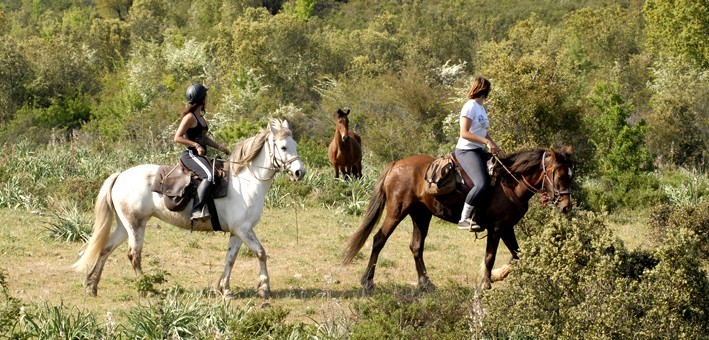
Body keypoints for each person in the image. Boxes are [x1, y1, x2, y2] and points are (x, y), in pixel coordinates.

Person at [173, 83, 230, 220]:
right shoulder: (190, 118)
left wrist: (219, 147)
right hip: (190, 155)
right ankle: (196, 210)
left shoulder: (201, 118)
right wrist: (195, 145)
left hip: (200, 155)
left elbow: (204, 137)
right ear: (202, 99)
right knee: (209, 176)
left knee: (217, 173)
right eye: (206, 97)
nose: (207, 99)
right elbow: (177, 138)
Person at [455, 77, 504, 232]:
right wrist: (486, 142)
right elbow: (464, 133)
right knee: (481, 183)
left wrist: (494, 144)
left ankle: (485, 213)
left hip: (478, 149)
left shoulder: (481, 108)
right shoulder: (470, 106)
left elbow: (483, 131)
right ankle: (464, 219)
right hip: (466, 150)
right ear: (486, 90)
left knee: (501, 172)